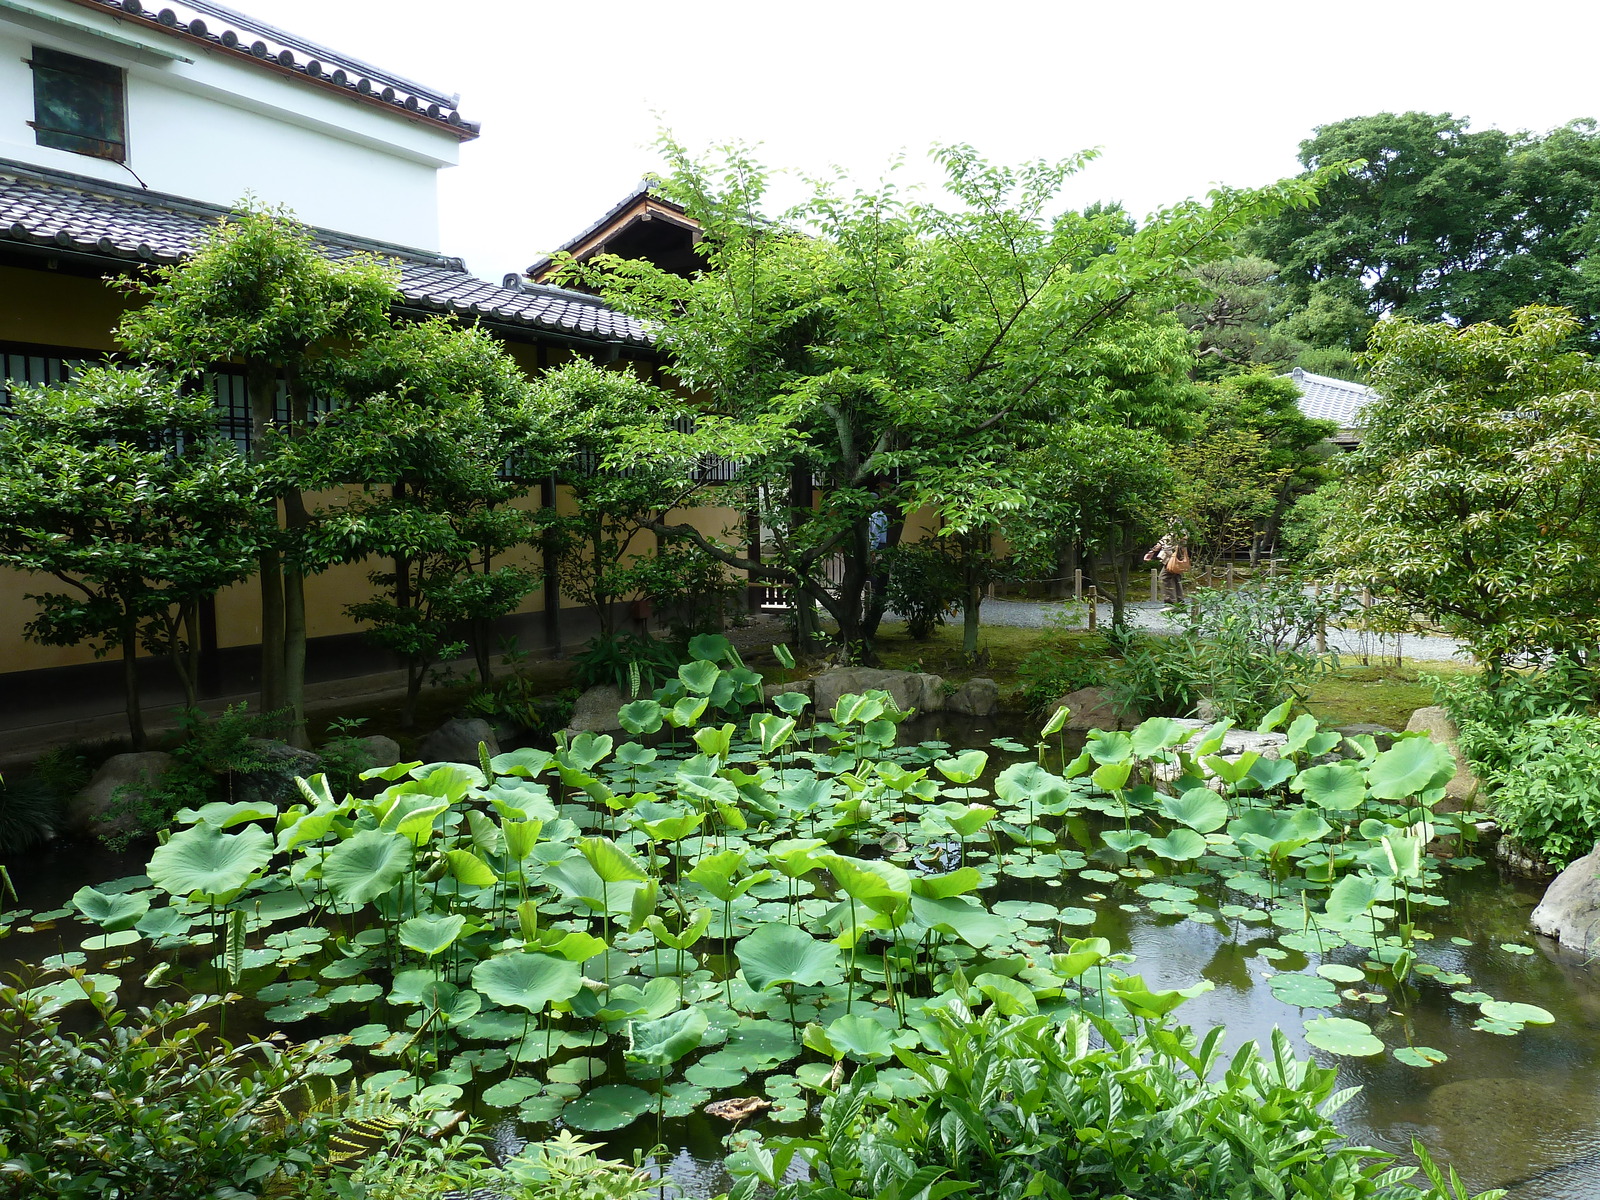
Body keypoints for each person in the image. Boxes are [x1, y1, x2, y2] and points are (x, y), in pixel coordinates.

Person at [1144, 528, 1189, 605]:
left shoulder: (1176, 522)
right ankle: (1179, 602)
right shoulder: (1184, 521)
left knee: (1165, 577)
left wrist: (1153, 551)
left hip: (1172, 552)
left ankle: (1170, 602)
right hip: (1178, 551)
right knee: (1175, 576)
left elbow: (1169, 537)